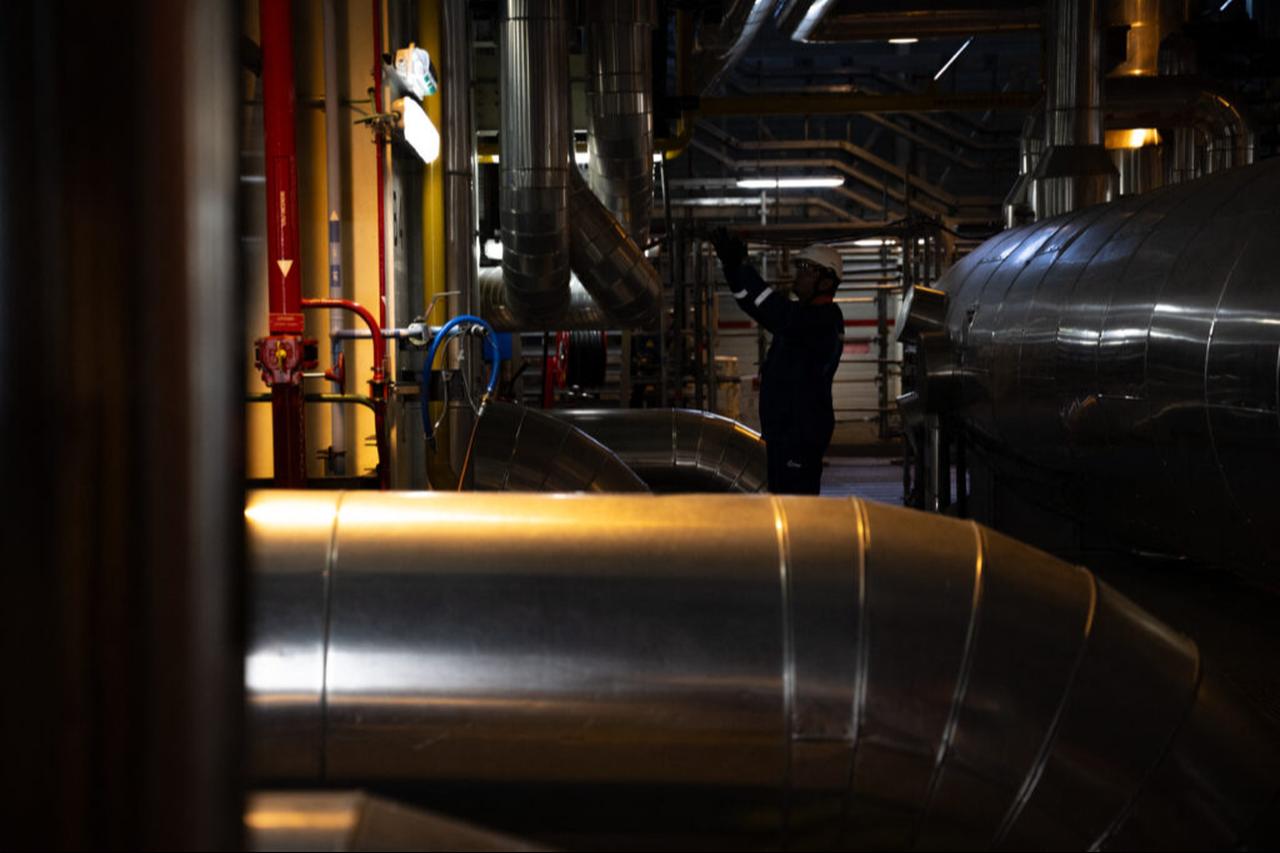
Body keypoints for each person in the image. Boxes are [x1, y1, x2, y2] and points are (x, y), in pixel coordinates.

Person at [710, 228, 844, 495]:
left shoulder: (823, 319)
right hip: (784, 432)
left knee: (796, 507)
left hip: (800, 434)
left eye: (807, 268)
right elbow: (753, 304)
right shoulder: (802, 317)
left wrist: (743, 267)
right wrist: (731, 267)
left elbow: (774, 310)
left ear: (826, 281)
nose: (799, 274)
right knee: (782, 501)